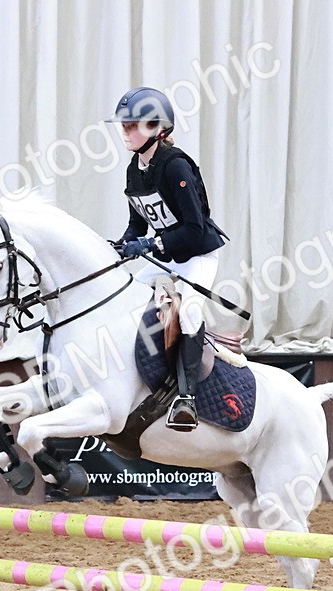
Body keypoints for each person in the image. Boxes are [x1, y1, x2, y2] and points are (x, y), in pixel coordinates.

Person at [107, 86, 227, 431]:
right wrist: (122, 246)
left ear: (158, 129)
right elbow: (137, 223)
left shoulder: (175, 167)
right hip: (169, 256)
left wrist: (149, 245)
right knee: (124, 290)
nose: (126, 132)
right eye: (124, 126)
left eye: (134, 126)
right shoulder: (135, 168)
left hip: (198, 255)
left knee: (188, 311)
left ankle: (186, 398)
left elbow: (194, 228)